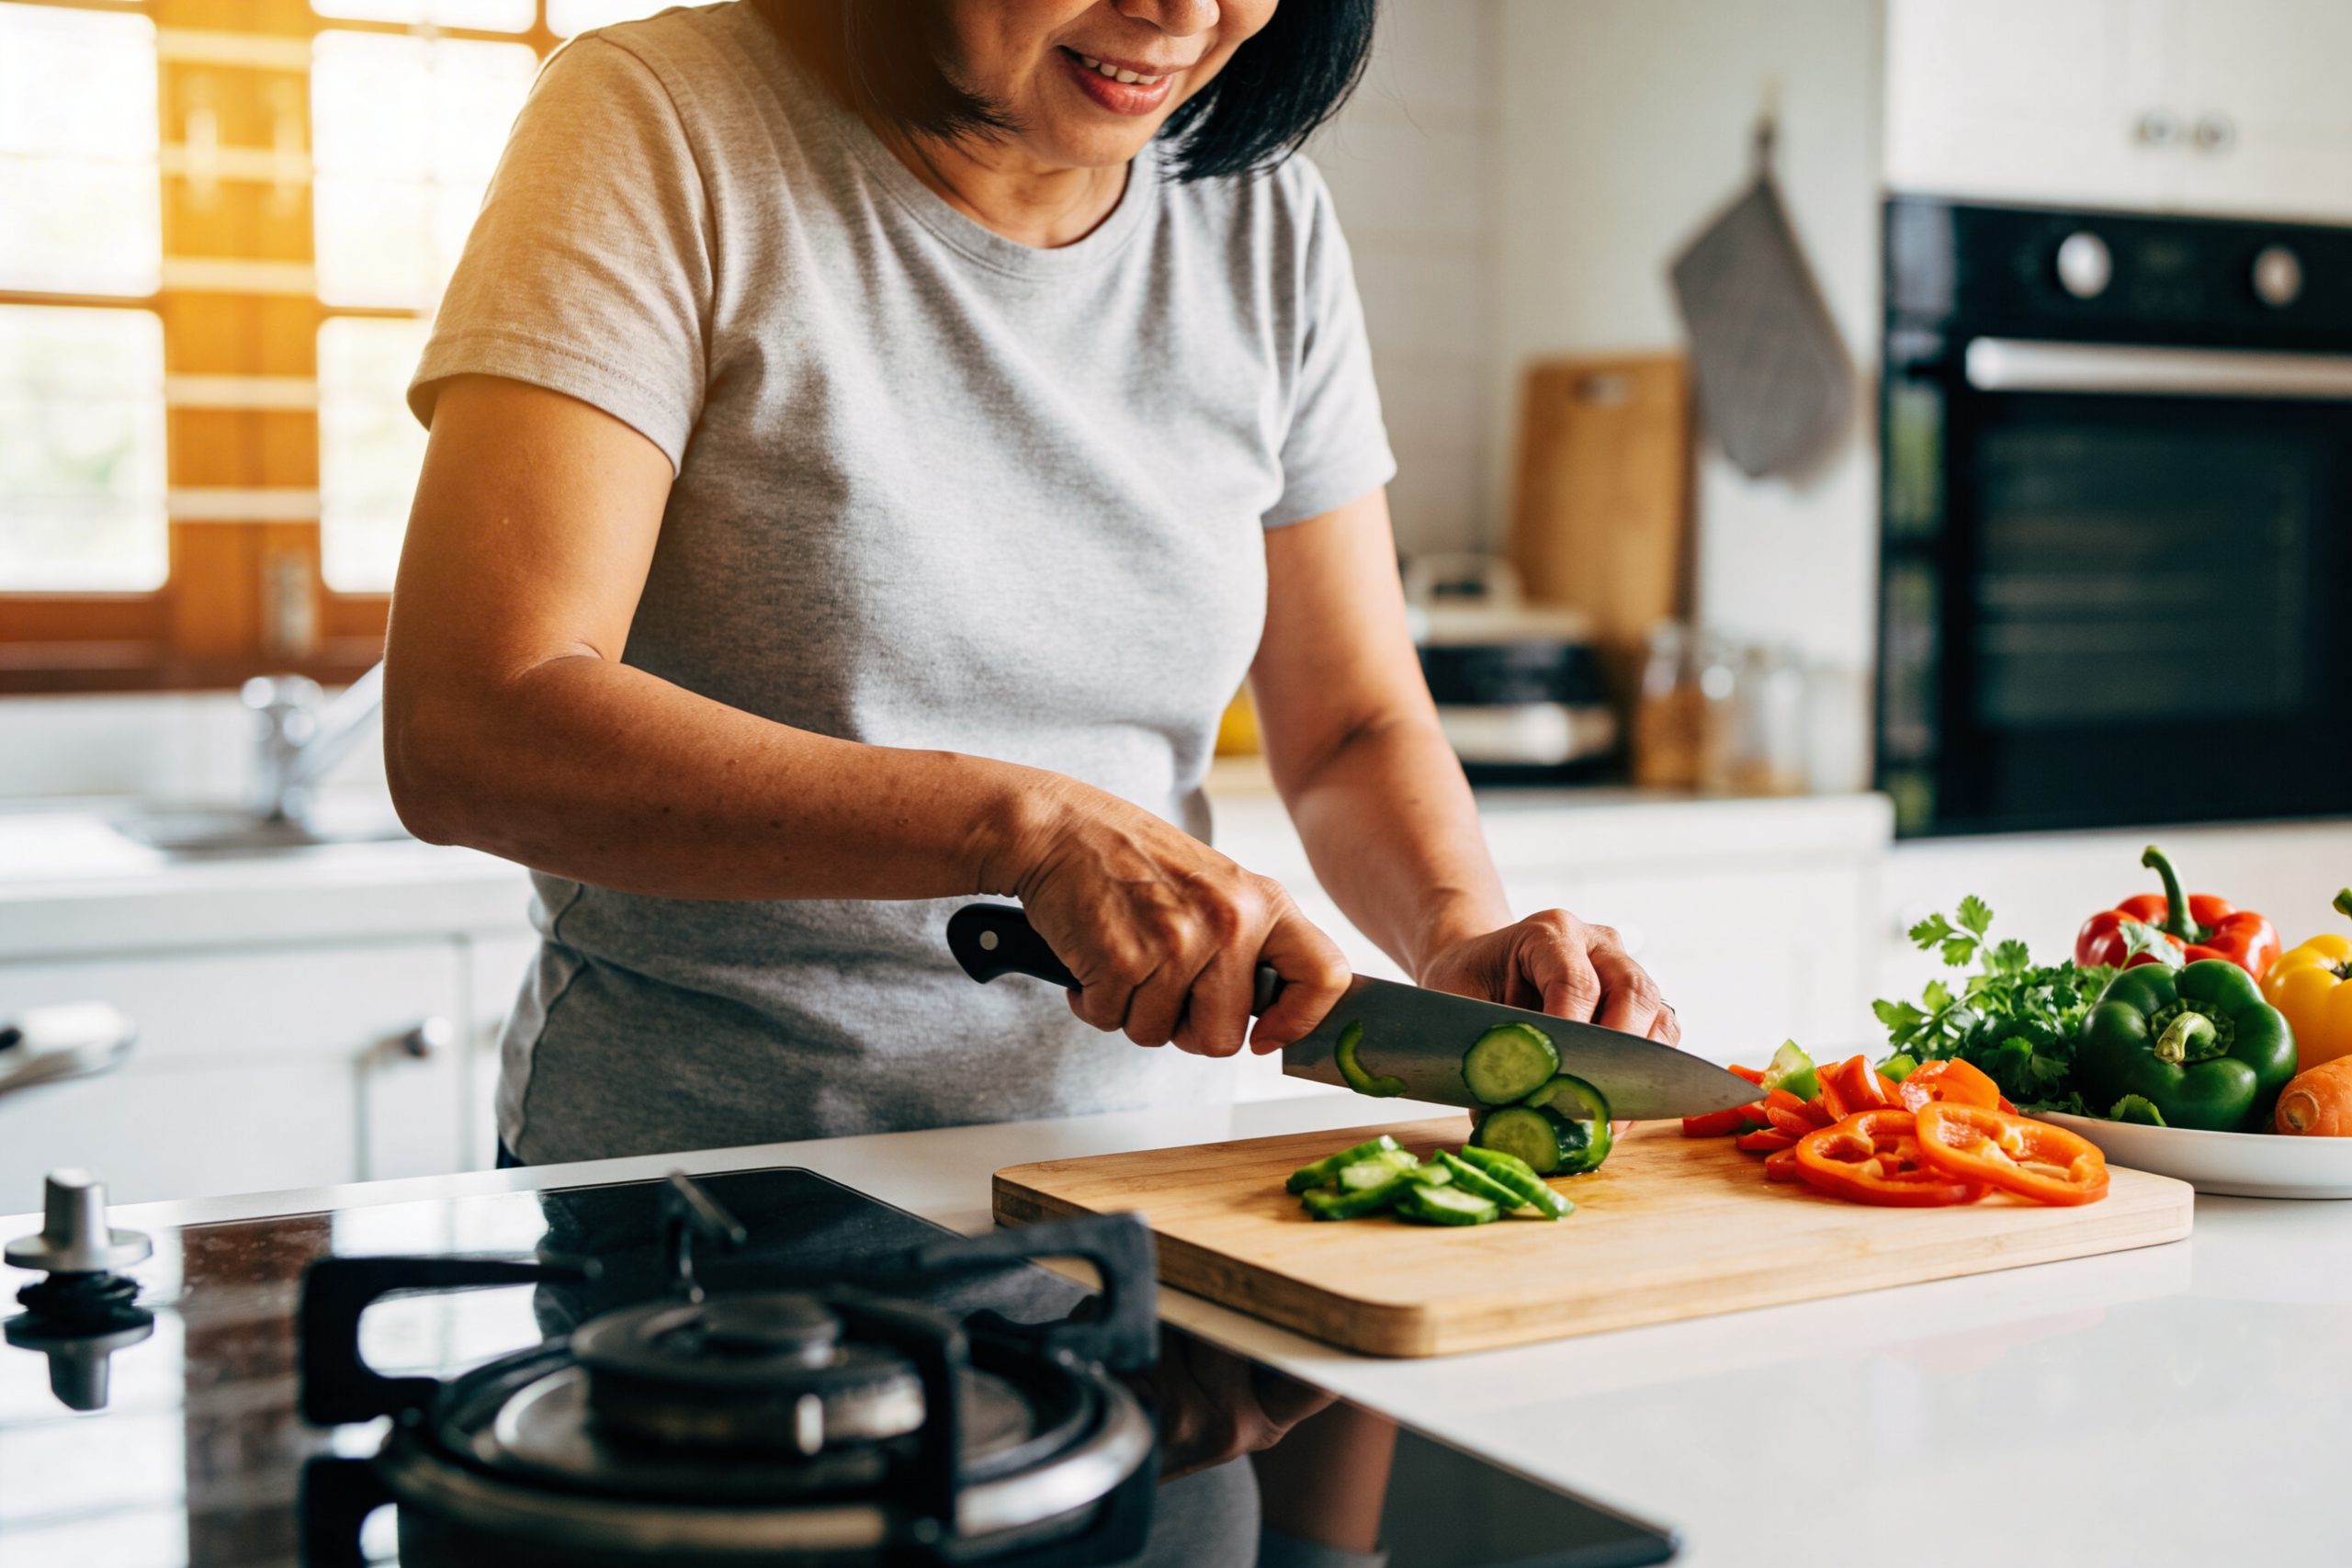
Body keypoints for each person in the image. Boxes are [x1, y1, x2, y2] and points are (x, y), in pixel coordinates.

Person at [384, 0, 1678, 1175]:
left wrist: (1455, 940)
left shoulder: (1263, 215)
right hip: (709, 1210)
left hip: (1139, 1198)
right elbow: (474, 723)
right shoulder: (662, 120)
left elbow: (1351, 726)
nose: (1182, 11)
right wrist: (1028, 830)